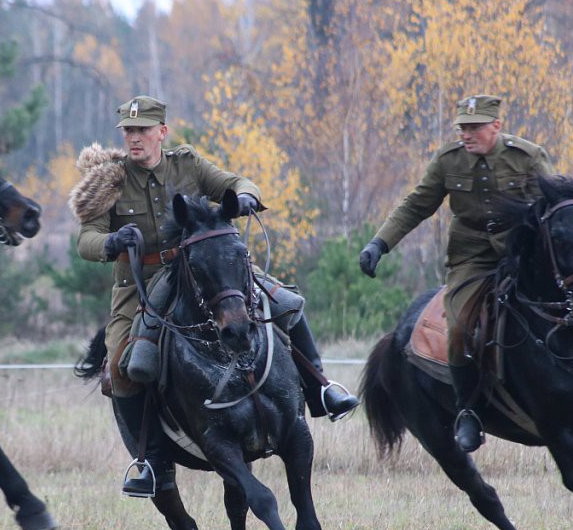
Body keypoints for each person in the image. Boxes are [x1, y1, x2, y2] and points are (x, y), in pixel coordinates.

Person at [72, 95, 359, 498]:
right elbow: (85, 239)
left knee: (287, 303)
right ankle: (149, 460)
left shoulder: (187, 164)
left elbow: (238, 182)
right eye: (128, 131)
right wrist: (111, 241)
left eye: (142, 130)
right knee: (121, 363)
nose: (134, 138)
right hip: (143, 281)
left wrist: (245, 196)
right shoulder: (110, 180)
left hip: (205, 266)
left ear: (162, 132)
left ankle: (322, 391)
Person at [358, 94, 554, 454]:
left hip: (526, 253)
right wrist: (379, 244)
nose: (467, 134)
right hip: (472, 259)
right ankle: (469, 412)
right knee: (461, 326)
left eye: (475, 127)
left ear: (496, 125)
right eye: (463, 127)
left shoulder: (527, 157)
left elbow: (556, 206)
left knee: (572, 303)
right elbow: (416, 204)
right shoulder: (448, 161)